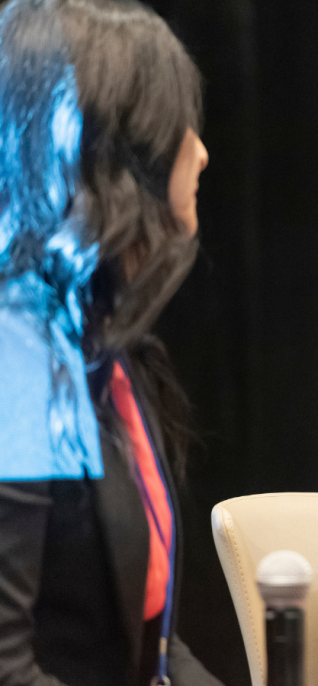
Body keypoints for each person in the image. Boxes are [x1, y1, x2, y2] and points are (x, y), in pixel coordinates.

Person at [0, 0, 218, 684]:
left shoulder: (98, 347)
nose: (203, 152)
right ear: (113, 149)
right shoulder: (16, 355)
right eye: (180, 124)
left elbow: (152, 649)